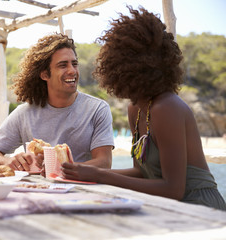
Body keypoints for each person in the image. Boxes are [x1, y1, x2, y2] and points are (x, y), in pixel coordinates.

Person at [62, 6, 226, 211]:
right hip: (170, 207)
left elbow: (173, 189)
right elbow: (141, 173)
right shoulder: (136, 108)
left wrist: (100, 175)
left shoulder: (166, 107)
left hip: (201, 208)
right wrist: (82, 171)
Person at [0, 33, 114, 172]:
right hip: (36, 190)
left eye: (74, 64)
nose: (72, 71)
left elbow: (104, 162)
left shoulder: (97, 109)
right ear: (44, 74)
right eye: (63, 65)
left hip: (81, 191)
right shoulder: (25, 113)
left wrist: (58, 168)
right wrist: (8, 162)